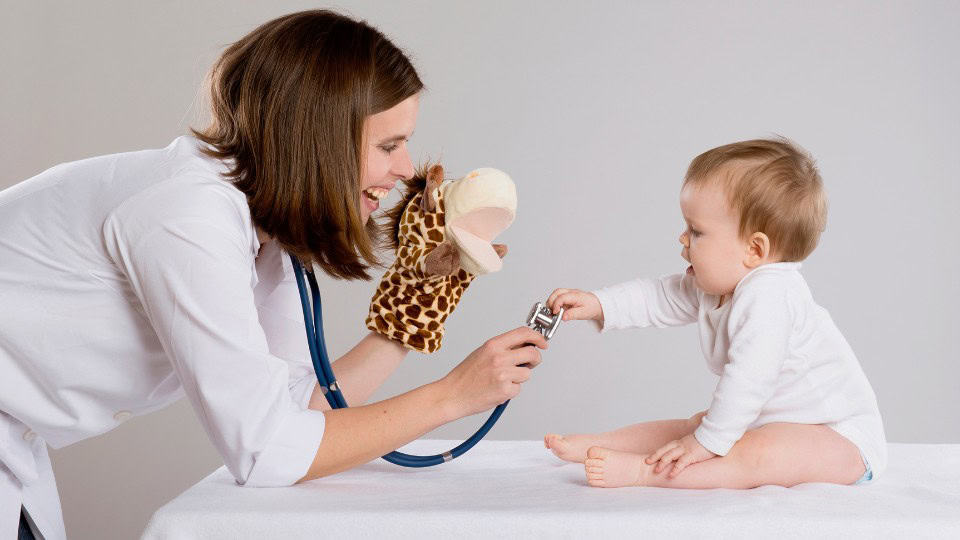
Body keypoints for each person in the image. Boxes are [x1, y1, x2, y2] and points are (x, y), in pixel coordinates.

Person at [0, 10, 546, 539]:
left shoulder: (262, 236)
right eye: (388, 145)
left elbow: (302, 407)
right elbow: (265, 450)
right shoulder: (185, 216)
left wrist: (413, 303)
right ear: (317, 138)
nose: (406, 169)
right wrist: (452, 396)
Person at [543, 138, 886, 489]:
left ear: (754, 249)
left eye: (697, 231)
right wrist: (599, 304)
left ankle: (644, 472)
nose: (682, 239)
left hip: (839, 439)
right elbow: (658, 296)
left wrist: (708, 441)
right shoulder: (721, 286)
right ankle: (600, 444)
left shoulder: (771, 294)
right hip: (767, 424)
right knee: (696, 426)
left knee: (755, 452)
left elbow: (749, 378)